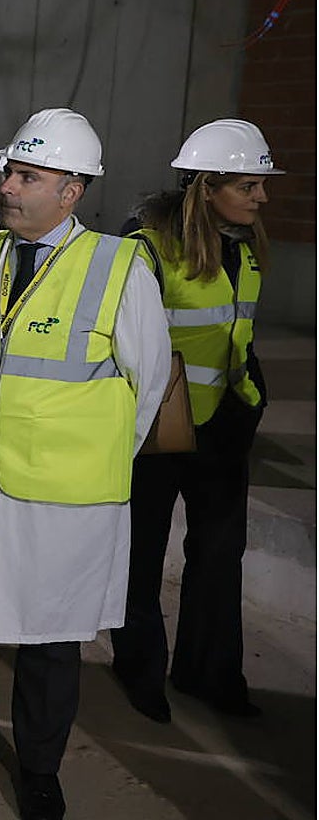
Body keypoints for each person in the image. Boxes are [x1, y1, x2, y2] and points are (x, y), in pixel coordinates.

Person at [0, 109, 170, 820]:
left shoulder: (118, 267)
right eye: (10, 173)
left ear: (71, 191)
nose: (8, 187)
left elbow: (147, 386)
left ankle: (40, 766)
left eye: (27, 176)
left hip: (62, 491)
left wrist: (89, 453)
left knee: (48, 633)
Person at [110, 119, 279, 723]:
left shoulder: (243, 249)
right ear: (206, 187)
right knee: (143, 554)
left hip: (224, 429)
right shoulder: (146, 248)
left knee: (220, 554)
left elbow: (238, 337)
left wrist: (252, 397)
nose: (262, 198)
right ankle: (140, 671)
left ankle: (211, 674)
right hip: (158, 428)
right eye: (248, 186)